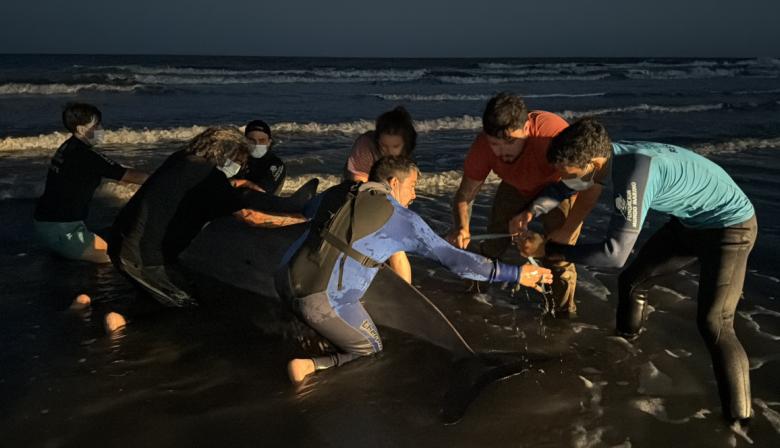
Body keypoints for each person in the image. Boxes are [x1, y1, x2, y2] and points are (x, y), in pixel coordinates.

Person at [518, 118, 757, 423]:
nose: (565, 179)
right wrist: (531, 210)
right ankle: (625, 346)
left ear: (592, 162)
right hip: (690, 223)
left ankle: (739, 424)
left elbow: (614, 254)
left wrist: (548, 251)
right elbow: (565, 186)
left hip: (731, 227)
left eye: (570, 172)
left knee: (715, 323)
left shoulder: (633, 173)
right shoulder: (609, 157)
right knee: (633, 281)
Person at [276, 156, 553, 384]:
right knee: (370, 351)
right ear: (394, 183)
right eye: (412, 186)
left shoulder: (338, 191)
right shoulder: (401, 217)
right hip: (317, 300)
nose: (415, 194)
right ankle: (310, 366)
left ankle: (312, 329)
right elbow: (458, 262)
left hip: (283, 279)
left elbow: (305, 210)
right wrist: (516, 274)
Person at [109, 127, 308, 312]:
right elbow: (251, 217)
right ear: (226, 154)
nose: (239, 165)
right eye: (238, 159)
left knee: (156, 296)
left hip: (120, 238)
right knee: (186, 307)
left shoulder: (181, 159)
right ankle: (122, 327)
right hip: (142, 257)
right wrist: (299, 221)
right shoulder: (209, 178)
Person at [446, 92, 596, 315]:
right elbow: (465, 195)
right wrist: (461, 227)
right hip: (515, 185)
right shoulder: (483, 147)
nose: (502, 151)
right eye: (495, 144)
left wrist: (564, 231)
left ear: (527, 127)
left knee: (559, 255)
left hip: (560, 188)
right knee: (492, 245)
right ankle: (472, 298)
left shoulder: (552, 135)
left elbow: (584, 185)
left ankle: (563, 316)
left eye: (511, 142)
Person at [33, 103, 148, 263]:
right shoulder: (86, 156)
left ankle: (67, 254)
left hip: (47, 224)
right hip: (64, 231)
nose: (101, 129)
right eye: (96, 125)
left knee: (115, 240)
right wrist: (163, 179)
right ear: (81, 129)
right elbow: (129, 176)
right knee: (118, 260)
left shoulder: (68, 146)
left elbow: (109, 168)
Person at [344, 106, 418, 284]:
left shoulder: (405, 156)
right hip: (359, 192)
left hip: (389, 189)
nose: (388, 152)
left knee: (395, 245)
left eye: (395, 146)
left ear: (405, 145)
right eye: (383, 146)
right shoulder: (365, 146)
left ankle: (405, 295)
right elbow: (358, 185)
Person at [237, 119, 287, 195]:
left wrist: (244, 182)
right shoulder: (237, 158)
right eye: (251, 140)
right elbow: (218, 180)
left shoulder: (276, 164)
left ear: (269, 142)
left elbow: (263, 191)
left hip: (261, 204)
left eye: (262, 140)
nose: (257, 144)